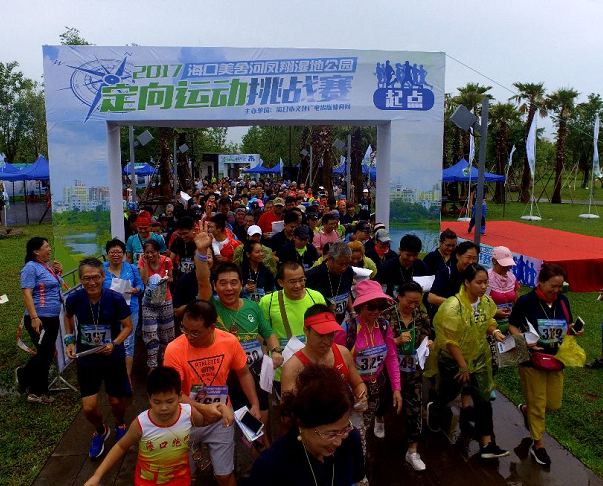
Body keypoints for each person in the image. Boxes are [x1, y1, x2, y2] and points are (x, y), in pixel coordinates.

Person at [164, 299, 260, 486]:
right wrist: (202, 408)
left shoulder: (229, 342)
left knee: (224, 476)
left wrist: (254, 404)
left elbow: (243, 372)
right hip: (185, 419)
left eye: (196, 332)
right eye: (184, 329)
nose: (188, 336)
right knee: (183, 477)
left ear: (212, 328)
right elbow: (172, 393)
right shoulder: (174, 349)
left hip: (221, 418)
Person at [83, 366, 225, 486]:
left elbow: (206, 421)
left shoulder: (188, 412)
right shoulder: (142, 423)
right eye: (157, 402)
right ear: (149, 398)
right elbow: (121, 446)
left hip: (180, 481)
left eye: (170, 401)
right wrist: (97, 475)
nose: (164, 408)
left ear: (180, 396)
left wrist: (223, 409)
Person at [427, 264, 508, 459]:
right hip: (453, 359)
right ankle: (435, 407)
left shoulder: (485, 302)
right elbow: (449, 340)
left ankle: (487, 443)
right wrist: (463, 365)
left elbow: (488, 321)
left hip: (478, 356)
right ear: (466, 283)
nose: (483, 287)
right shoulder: (453, 307)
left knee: (483, 397)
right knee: (449, 392)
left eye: (485, 282)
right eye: (479, 283)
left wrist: (495, 331)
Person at [509, 263, 584, 466]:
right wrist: (525, 341)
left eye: (560, 286)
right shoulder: (526, 301)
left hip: (556, 359)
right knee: (538, 404)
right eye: (553, 286)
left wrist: (572, 329)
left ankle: (525, 409)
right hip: (532, 360)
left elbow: (564, 325)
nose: (556, 291)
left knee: (553, 404)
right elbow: (513, 324)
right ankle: (538, 444)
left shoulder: (563, 301)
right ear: (540, 282)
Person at [248, 364, 365, 486]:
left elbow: (354, 482)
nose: (339, 441)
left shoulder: (351, 440)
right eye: (331, 434)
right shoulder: (271, 466)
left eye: (344, 428)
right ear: (302, 424)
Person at [64, 258, 133, 458]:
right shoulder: (75, 299)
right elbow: (68, 316)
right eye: (86, 278)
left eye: (95, 277)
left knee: (115, 401)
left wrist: (114, 344)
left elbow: (127, 326)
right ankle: (101, 430)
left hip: (112, 358)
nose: (91, 282)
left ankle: (120, 424)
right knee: (88, 407)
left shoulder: (115, 299)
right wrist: (69, 340)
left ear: (103, 276)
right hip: (87, 359)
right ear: (80, 279)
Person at [336, 280, 402, 482]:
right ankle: (356, 472)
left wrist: (396, 388)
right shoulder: (346, 329)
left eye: (380, 306)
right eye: (371, 306)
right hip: (350, 391)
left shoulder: (384, 326)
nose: (376, 311)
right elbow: (336, 361)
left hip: (375, 388)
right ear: (359, 305)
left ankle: (353, 465)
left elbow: (391, 355)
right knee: (355, 432)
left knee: (363, 426)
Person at [381, 281, 433, 470]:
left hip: (413, 372)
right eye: (408, 302)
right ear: (399, 297)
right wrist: (395, 341)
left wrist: (428, 343)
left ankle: (413, 451)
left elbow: (427, 334)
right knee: (384, 401)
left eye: (417, 302)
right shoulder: (385, 317)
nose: (412, 306)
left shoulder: (421, 315)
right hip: (388, 373)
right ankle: (379, 418)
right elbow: (377, 345)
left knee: (415, 410)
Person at [281, 305, 368, 410]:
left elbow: (358, 383)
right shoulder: (292, 367)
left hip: (344, 420)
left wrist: (361, 396)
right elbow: (288, 411)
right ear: (306, 331)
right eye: (320, 335)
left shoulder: (343, 352)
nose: (327, 341)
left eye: (331, 334)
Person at [259, 261, 326, 397]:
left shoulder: (316, 297)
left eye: (302, 280)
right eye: (292, 281)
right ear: (280, 282)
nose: (298, 285)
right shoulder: (268, 302)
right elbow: (263, 335)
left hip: (312, 367)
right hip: (282, 370)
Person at [16, 237, 64, 405]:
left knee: (47, 353)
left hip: (51, 317)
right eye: (46, 246)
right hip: (40, 318)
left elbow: (52, 287)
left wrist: (58, 273)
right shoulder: (30, 268)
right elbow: (26, 294)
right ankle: (31, 385)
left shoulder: (46, 266)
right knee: (45, 353)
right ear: (36, 251)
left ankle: (31, 383)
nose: (49, 249)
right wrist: (35, 318)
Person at [103, 238, 144, 380]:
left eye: (119, 252)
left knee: (128, 343)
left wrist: (136, 289)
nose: (115, 255)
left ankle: (126, 378)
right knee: (110, 341)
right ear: (107, 253)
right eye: (112, 252)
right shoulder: (102, 269)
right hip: (109, 312)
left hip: (130, 310)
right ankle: (111, 374)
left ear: (124, 254)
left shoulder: (132, 268)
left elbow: (141, 286)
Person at [138, 239, 175, 369]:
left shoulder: (167, 261)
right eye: (147, 252)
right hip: (148, 302)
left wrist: (164, 281)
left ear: (158, 251)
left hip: (165, 300)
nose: (150, 255)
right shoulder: (143, 261)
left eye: (152, 252)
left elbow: (171, 278)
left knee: (167, 333)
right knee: (150, 332)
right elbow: (144, 281)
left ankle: (166, 362)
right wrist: (146, 263)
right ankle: (152, 365)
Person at [306, 241, 354, 324]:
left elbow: (347, 292)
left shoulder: (348, 271)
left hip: (342, 321)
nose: (344, 268)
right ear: (330, 259)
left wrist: (352, 312)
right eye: (341, 264)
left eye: (347, 264)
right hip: (322, 321)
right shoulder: (314, 275)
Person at [376, 234, 430, 298]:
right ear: (400, 250)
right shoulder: (387, 267)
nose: (411, 259)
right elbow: (378, 289)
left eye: (415, 255)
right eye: (408, 255)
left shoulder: (421, 266)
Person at [487, 246, 519, 333]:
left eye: (509, 264)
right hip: (490, 326)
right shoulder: (486, 278)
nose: (507, 267)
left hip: (509, 325)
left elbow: (516, 300)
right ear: (494, 261)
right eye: (504, 264)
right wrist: (494, 313)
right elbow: (479, 305)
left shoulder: (512, 277)